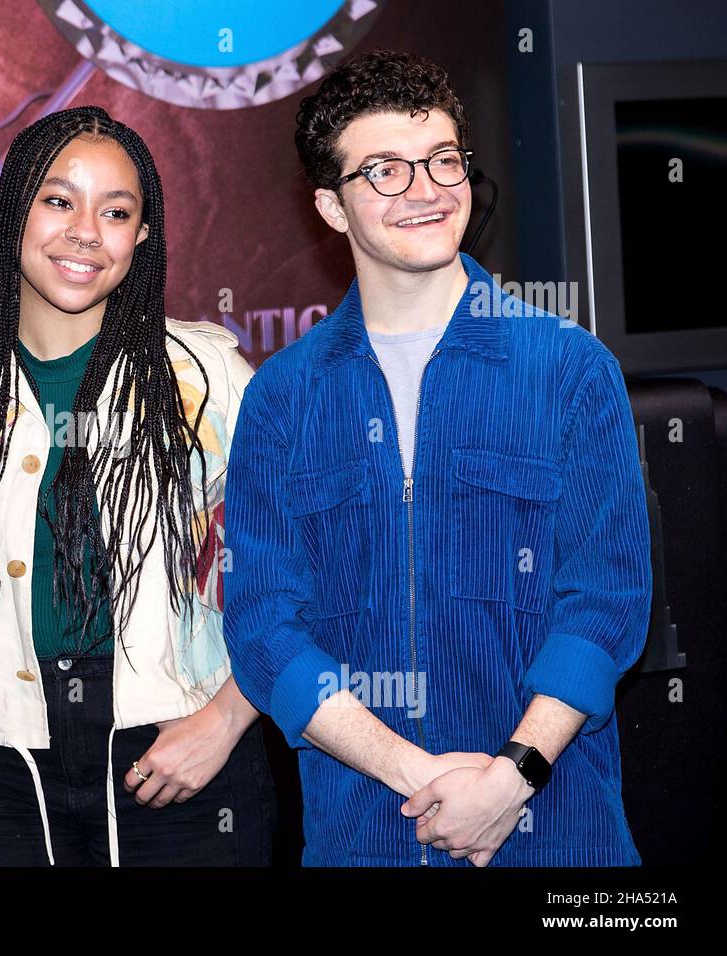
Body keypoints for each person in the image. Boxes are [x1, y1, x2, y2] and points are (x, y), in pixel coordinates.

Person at [223, 50, 651, 866]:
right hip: (366, 835)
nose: (424, 190)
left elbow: (605, 599)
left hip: (559, 835)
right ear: (331, 206)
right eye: (384, 170)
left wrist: (510, 777)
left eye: (442, 161)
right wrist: (416, 774)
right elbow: (264, 628)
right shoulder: (284, 396)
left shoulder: (568, 368)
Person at [0, 105, 277, 866]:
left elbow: (305, 563)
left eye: (116, 212)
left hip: (181, 758)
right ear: (14, 209)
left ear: (140, 238)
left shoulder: (207, 377)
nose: (86, 230)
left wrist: (226, 719)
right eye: (58, 200)